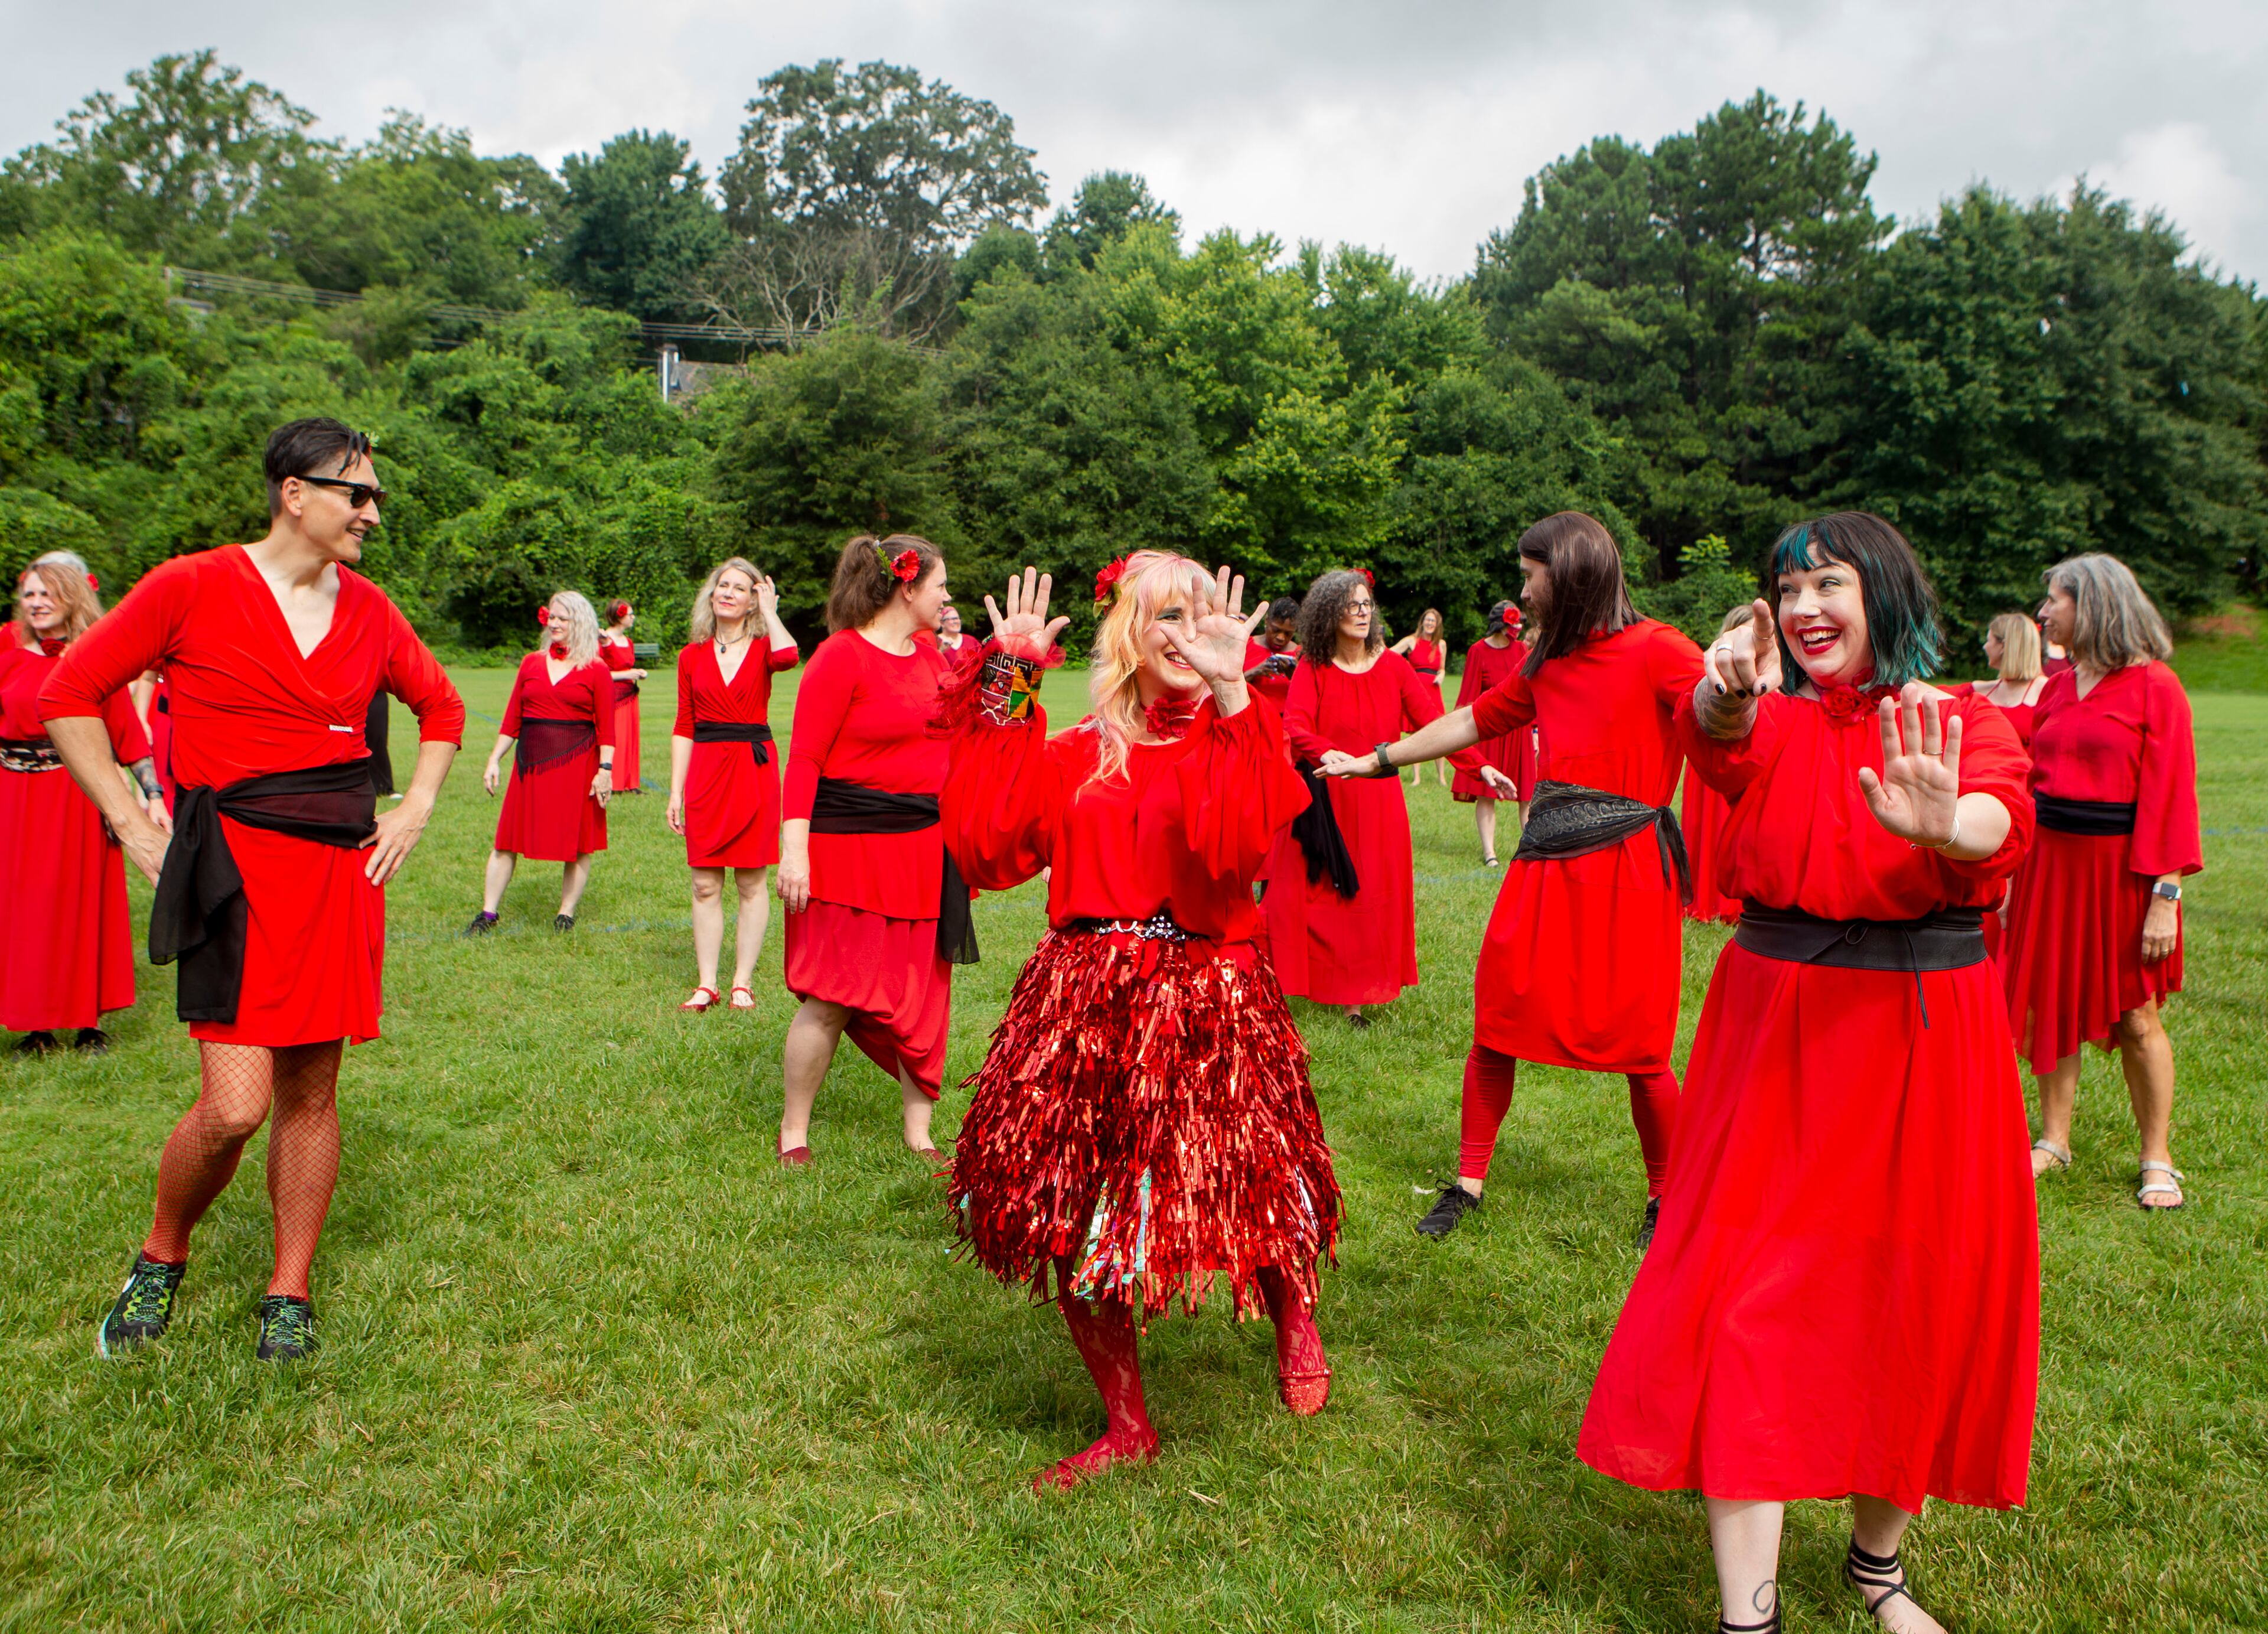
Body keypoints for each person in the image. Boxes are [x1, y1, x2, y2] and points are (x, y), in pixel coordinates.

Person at [1577, 511, 2038, 1634]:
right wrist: (1725, 693)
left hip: (1927, 1042)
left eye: (1827, 583)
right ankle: (1751, 1617)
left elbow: (2000, 817)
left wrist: (1950, 826)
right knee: (1744, 1302)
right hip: (1776, 1033)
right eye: (1788, 590)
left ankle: (1878, 1567)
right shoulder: (1774, 720)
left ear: (1884, 590)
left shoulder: (1963, 717)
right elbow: (1718, 735)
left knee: (1912, 1297)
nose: (1802, 608)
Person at [41, 416, 464, 1362]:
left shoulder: (371, 610)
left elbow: (442, 704)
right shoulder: (190, 585)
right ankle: (162, 1254)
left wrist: (417, 804)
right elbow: (66, 693)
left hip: (338, 875)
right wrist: (129, 820)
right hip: (230, 874)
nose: (374, 513)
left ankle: (289, 1288)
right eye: (359, 494)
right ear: (295, 493)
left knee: (311, 1091)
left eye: (376, 497)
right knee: (236, 1105)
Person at [941, 558, 1337, 1490]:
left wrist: (1234, 692)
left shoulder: (1239, 733)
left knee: (1249, 1178)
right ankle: (1128, 1426)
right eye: (1167, 615)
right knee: (1074, 1209)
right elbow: (989, 845)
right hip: (1084, 1005)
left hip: (1210, 992)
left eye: (1202, 615)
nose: (1187, 634)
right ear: (1129, 631)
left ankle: (1293, 1312)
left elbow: (1239, 848)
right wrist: (1012, 678)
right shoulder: (1076, 748)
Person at [1331, 513, 1702, 1244]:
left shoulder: (1661, 649)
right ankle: (1468, 1184)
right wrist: (1380, 758)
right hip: (1544, 870)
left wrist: (1737, 692)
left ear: (1569, 572)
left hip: (1630, 872)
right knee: (1499, 1021)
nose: (1523, 593)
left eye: (1531, 576)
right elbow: (1475, 720)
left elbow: (1716, 718)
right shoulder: (1548, 661)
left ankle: (1668, 1198)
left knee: (1644, 1046)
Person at [2002, 555, 2200, 1207]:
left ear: (2093, 605)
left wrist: (2165, 896)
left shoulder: (2155, 685)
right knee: (2049, 1002)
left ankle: (2157, 1158)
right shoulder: (2059, 685)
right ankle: (2054, 1140)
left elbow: (2173, 798)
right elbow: (2030, 780)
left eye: (2054, 600)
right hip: (2048, 866)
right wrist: (2012, 875)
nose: (2043, 612)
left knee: (2137, 1015)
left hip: (2121, 874)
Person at [776, 534, 969, 1165]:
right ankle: (794, 1132)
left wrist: (1023, 661)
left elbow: (986, 725)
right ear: (907, 587)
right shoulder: (840, 656)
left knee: (922, 994)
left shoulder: (933, 661)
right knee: (831, 994)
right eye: (940, 585)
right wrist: (795, 853)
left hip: (922, 853)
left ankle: (920, 1133)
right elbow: (804, 760)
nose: (947, 598)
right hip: (847, 852)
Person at [1263, 570, 1474, 1027]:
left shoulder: (1395, 667)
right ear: (1329, 614)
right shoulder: (1313, 666)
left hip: (1379, 803)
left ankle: (1355, 999)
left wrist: (1480, 767)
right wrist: (1327, 752)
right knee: (1306, 896)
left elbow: (1434, 725)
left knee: (1369, 896)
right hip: (1325, 798)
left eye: (1365, 605)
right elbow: (1296, 724)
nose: (1362, 613)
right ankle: (1283, 979)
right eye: (1351, 606)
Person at [0, 559, 167, 1054]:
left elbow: (127, 732)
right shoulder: (6, 650)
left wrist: (153, 795)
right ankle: (36, 1025)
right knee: (25, 908)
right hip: (14, 796)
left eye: (48, 594)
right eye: (31, 594)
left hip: (74, 794)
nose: (37, 603)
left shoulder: (93, 655)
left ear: (71, 597)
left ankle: (88, 1022)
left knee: (80, 902)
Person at [668, 558, 799, 1011]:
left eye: (740, 588)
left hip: (752, 769)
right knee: (704, 884)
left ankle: (742, 982)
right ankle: (708, 983)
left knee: (751, 881)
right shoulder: (691, 656)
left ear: (753, 601)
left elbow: (789, 657)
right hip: (706, 771)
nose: (727, 592)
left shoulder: (765, 648)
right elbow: (684, 726)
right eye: (722, 585)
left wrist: (772, 613)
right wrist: (675, 791)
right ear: (711, 595)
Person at [468, 593, 615, 935]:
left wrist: (605, 771)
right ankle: (488, 913)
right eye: (552, 617)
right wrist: (494, 759)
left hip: (578, 765)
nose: (554, 623)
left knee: (579, 844)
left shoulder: (597, 669)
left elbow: (607, 729)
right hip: (530, 764)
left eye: (563, 618)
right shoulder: (530, 663)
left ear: (580, 622)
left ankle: (566, 913)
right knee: (506, 840)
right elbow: (512, 719)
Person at [1681, 605, 1756, 925]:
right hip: (1717, 756)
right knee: (1712, 827)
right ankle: (1708, 897)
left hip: (1745, 757)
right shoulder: (1713, 668)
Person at [1450, 598, 1531, 866]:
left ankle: (1530, 851)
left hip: (1518, 731)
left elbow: (1530, 691)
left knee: (1527, 795)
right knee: (1487, 793)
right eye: (1512, 624)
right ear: (1499, 625)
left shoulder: (1521, 649)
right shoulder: (1478, 651)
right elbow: (1467, 697)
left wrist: (1536, 731)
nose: (1516, 629)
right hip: (1490, 731)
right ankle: (1490, 853)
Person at [1945, 612, 2048, 744]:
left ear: (2003, 646)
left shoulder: (2047, 690)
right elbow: (1934, 695)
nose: (1985, 647)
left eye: (1988, 641)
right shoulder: (1977, 690)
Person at [1390, 607, 1452, 787]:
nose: (1430, 623)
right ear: (1423, 622)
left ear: (1437, 625)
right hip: (1415, 690)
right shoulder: (1411, 640)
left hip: (1434, 691)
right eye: (1428, 620)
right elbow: (1391, 653)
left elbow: (1442, 668)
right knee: (1416, 734)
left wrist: (1442, 675)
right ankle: (1416, 777)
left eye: (1433, 621)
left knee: (1439, 734)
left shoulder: (1441, 644)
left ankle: (1442, 777)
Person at [600, 600, 647, 793]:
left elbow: (628, 667)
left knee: (630, 738)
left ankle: (630, 782)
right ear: (619, 617)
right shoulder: (604, 640)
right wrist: (628, 674)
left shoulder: (628, 642)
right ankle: (615, 782)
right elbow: (600, 673)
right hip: (614, 696)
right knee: (616, 737)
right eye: (630, 614)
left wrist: (637, 674)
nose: (633, 617)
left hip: (630, 694)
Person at [1241, 595, 1302, 712]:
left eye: (1288, 634)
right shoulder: (1246, 645)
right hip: (1249, 715)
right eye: (1276, 630)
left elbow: (1309, 697)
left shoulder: (1300, 655)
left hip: (1283, 719)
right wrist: (1255, 672)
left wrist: (1295, 678)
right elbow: (1228, 686)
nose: (1281, 638)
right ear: (1267, 621)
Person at [934, 602, 982, 674]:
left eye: (957, 618)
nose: (956, 622)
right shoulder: (935, 641)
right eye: (952, 619)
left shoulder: (971, 640)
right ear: (942, 623)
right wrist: (940, 651)